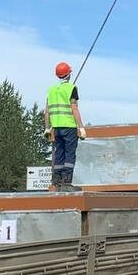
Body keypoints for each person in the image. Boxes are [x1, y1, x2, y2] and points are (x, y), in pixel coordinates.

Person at [44, 61, 86, 191]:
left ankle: (56, 182)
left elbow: (47, 111)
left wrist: (47, 128)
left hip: (56, 128)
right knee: (69, 154)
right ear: (68, 74)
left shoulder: (51, 90)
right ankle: (66, 183)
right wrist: (81, 127)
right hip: (69, 127)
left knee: (59, 154)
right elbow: (74, 108)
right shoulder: (71, 88)